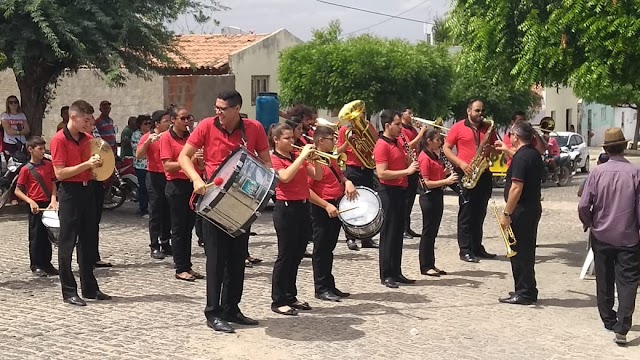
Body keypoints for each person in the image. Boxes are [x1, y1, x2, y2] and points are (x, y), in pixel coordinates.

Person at [179, 90, 271, 333]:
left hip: (242, 201)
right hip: (214, 201)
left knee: (237, 258)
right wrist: (196, 179)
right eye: (216, 107)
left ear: (236, 109)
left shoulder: (254, 128)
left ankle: (232, 307)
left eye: (222, 109)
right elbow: (184, 157)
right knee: (216, 260)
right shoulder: (207, 126)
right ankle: (213, 312)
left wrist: (264, 183)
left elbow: (266, 162)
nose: (217, 112)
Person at [578, 128, 640, 345]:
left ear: (605, 148)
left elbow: (584, 204)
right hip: (628, 237)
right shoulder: (635, 173)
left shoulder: (596, 173)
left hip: (602, 234)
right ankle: (623, 326)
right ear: (624, 147)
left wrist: (589, 222)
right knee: (628, 281)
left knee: (604, 278)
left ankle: (608, 319)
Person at [50, 100, 110, 306]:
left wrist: (99, 165)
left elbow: (98, 164)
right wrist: (86, 164)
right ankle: (68, 291)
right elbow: (60, 173)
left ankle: (90, 288)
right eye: (86, 120)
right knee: (67, 243)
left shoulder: (89, 139)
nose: (89, 124)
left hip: (88, 189)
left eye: (91, 120)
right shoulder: (59, 140)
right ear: (73, 117)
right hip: (70, 192)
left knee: (88, 241)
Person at [268, 123, 322, 314]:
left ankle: (291, 295)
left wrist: (316, 159)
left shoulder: (295, 157)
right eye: (287, 138)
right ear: (276, 140)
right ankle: (278, 299)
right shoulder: (273, 158)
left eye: (292, 138)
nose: (292, 141)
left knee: (298, 254)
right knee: (285, 255)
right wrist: (302, 157)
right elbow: (285, 177)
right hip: (286, 209)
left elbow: (317, 175)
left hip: (302, 206)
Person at [443, 99, 497, 263]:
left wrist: (491, 151)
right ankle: (465, 250)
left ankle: (477, 247)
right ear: (469, 111)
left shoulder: (488, 128)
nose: (480, 114)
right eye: (477, 111)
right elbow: (446, 148)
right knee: (466, 213)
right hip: (466, 172)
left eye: (482, 111)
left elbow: (494, 150)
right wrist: (460, 163)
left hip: (484, 173)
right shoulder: (458, 127)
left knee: (480, 212)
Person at [495, 122, 543, 305]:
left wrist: (506, 213)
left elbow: (516, 188)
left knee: (519, 252)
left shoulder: (522, 158)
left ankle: (524, 292)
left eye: (511, 134)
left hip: (521, 210)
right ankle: (526, 288)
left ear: (516, 136)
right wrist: (508, 151)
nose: (510, 137)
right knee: (526, 251)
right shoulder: (532, 153)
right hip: (531, 208)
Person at [308, 125, 357, 301]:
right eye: (332, 139)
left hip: (335, 205)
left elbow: (339, 176)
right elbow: (307, 190)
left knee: (329, 248)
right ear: (321, 141)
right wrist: (326, 205)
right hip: (322, 207)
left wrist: (347, 181)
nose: (335, 142)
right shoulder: (311, 160)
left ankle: (329, 284)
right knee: (321, 249)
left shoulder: (330, 158)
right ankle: (321, 288)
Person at [374, 110, 419, 288]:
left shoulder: (398, 142)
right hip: (388, 191)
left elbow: (401, 162)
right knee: (388, 233)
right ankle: (386, 274)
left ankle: (396, 271)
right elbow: (382, 172)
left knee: (398, 232)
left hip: (401, 190)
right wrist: (406, 172)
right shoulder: (381, 145)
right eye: (397, 124)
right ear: (387, 126)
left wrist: (408, 162)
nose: (401, 127)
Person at [159, 106, 203, 282]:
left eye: (189, 118)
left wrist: (199, 159)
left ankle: (188, 265)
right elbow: (167, 166)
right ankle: (180, 267)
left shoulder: (190, 138)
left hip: (190, 184)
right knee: (178, 229)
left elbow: (198, 166)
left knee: (188, 228)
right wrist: (188, 161)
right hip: (175, 185)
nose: (187, 122)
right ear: (173, 120)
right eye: (183, 119)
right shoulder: (166, 138)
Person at [14, 136, 59, 277]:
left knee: (48, 235)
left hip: (48, 204)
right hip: (35, 205)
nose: (42, 151)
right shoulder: (26, 169)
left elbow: (53, 184)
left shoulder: (48, 165)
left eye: (43, 148)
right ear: (30, 150)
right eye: (39, 149)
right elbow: (18, 190)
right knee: (36, 236)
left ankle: (47, 263)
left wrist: (53, 200)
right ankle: (36, 264)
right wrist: (30, 201)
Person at [336, 108, 379, 251]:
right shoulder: (344, 130)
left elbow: (376, 143)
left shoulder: (368, 126)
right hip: (352, 169)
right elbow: (338, 151)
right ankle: (350, 237)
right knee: (351, 204)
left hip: (366, 168)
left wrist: (366, 130)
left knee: (367, 202)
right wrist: (349, 142)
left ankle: (366, 238)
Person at [417, 130, 458, 276]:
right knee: (428, 232)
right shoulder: (424, 157)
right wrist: (446, 181)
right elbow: (426, 183)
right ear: (428, 141)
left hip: (437, 195)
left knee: (433, 233)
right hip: (428, 197)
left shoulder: (435, 156)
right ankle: (424, 265)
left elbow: (436, 176)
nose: (440, 143)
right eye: (437, 140)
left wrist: (445, 173)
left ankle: (431, 263)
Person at [137, 110, 172, 259]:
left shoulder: (170, 136)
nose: (169, 123)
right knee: (156, 211)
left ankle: (166, 242)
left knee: (168, 211)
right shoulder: (148, 137)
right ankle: (154, 245)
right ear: (157, 124)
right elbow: (138, 155)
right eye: (166, 121)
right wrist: (147, 142)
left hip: (168, 175)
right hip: (154, 175)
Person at [399, 106, 427, 239]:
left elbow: (420, 144)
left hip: (414, 164)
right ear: (402, 114)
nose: (412, 115)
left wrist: (423, 133)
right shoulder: (401, 129)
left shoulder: (412, 129)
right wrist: (421, 133)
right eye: (409, 113)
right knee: (405, 199)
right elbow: (407, 145)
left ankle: (407, 227)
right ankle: (402, 228)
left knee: (410, 199)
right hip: (406, 166)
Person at [131, 115, 151, 218]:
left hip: (150, 165)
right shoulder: (136, 135)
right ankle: (143, 209)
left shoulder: (152, 134)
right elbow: (138, 150)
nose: (148, 125)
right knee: (143, 187)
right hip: (141, 165)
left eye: (149, 123)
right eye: (145, 123)